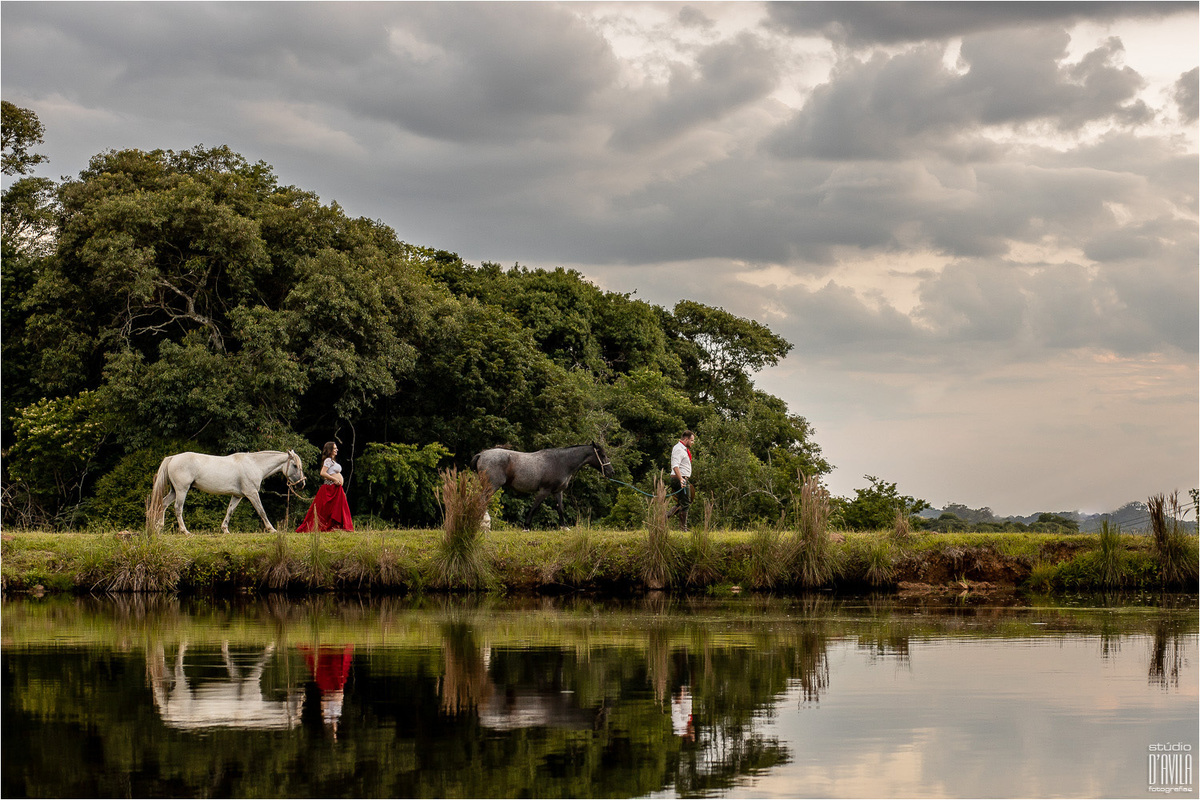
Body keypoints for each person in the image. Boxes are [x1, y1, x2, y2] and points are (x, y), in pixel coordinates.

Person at [296, 441, 354, 532]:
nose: (336, 450)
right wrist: (334, 479)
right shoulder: (328, 460)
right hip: (330, 487)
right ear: (330, 450)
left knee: (338, 507)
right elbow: (322, 473)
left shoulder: (332, 461)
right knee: (328, 509)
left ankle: (338, 526)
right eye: (334, 448)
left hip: (336, 488)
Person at [666, 430, 695, 531]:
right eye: (691, 440)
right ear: (686, 439)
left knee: (683, 503)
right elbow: (675, 466)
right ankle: (683, 528)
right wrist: (681, 479)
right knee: (685, 503)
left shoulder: (683, 449)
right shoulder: (678, 449)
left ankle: (666, 517)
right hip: (679, 479)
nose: (692, 443)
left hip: (682, 479)